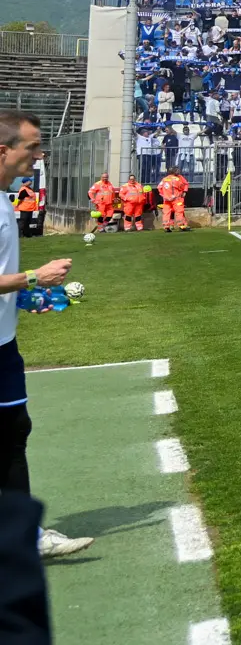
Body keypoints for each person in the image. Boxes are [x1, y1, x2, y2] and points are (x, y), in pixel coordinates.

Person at [0, 113, 92, 560]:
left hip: (4, 345)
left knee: (14, 430)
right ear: (4, 150)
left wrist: (35, 296)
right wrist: (36, 276)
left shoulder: (7, 198)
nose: (39, 156)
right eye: (32, 148)